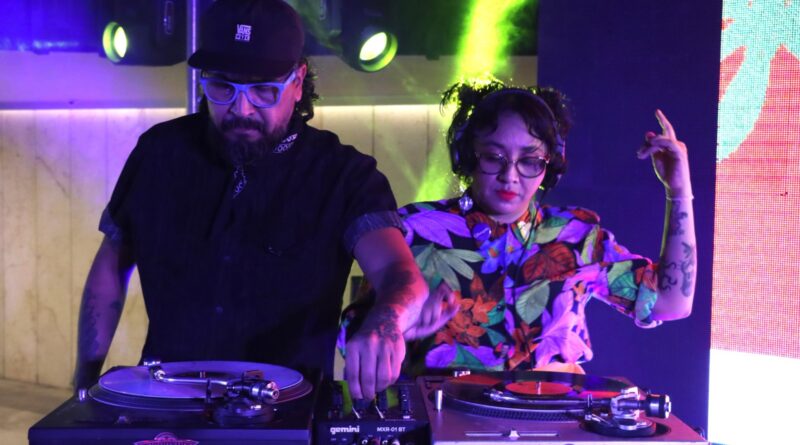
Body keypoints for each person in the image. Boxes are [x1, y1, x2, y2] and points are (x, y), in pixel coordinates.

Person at [72, 0, 426, 401]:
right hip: (168, 405)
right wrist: (84, 383)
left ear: (298, 82)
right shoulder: (159, 153)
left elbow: (400, 273)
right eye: (222, 87)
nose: (241, 109)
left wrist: (386, 322)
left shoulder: (343, 174)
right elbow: (111, 267)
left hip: (287, 410)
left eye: (263, 90)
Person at [341, 78, 695, 375]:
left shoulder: (578, 236)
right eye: (494, 157)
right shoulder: (414, 231)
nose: (510, 175)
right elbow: (353, 341)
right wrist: (401, 330)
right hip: (444, 423)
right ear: (467, 155)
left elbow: (671, 302)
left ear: (549, 165)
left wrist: (679, 191)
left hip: (553, 424)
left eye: (529, 160)